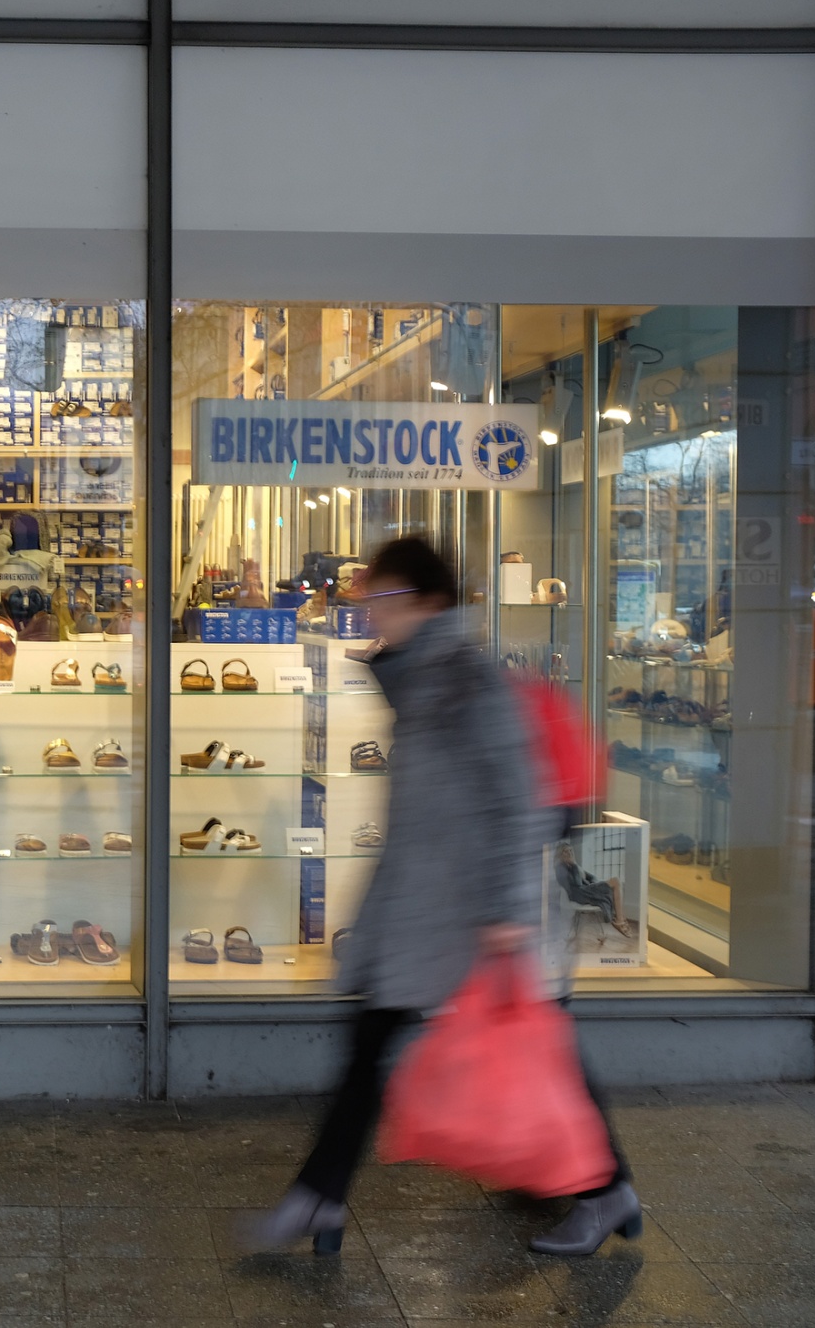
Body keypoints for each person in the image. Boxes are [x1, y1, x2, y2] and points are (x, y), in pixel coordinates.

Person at [244, 536, 639, 1258]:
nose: (372, 616)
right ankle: (320, 1199)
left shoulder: (464, 680)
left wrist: (503, 915)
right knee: (381, 1047)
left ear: (429, 602)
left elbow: (516, 801)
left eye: (385, 601)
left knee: (529, 1050)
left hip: (468, 918)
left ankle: (603, 1187)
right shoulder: (423, 680)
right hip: (427, 912)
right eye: (368, 600)